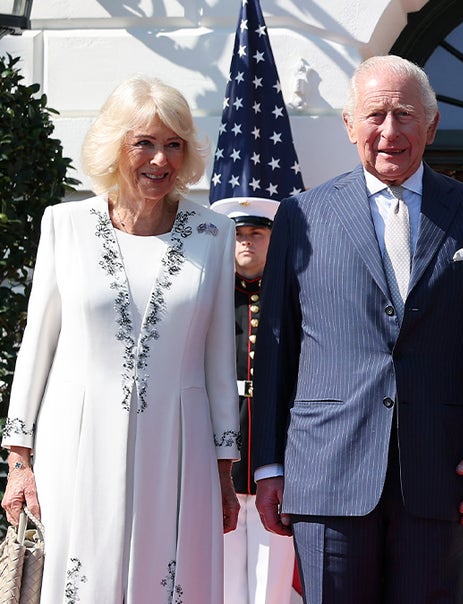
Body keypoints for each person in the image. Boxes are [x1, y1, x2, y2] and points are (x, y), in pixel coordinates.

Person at [251, 55, 463, 603]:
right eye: (375, 115)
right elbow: (278, 349)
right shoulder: (301, 216)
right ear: (350, 125)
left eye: (405, 115)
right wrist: (269, 464)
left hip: (441, 471)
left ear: (432, 125)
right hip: (327, 472)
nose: (390, 132)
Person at [0, 76, 240, 603]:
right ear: (115, 146)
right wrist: (19, 462)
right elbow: (37, 346)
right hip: (75, 443)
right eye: (144, 143)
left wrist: (224, 470)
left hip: (180, 448)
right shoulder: (65, 225)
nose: (160, 159)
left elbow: (219, 359)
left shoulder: (215, 233)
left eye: (173, 144)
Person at [210, 196, 297, 604]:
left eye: (257, 233)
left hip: (275, 455)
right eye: (238, 234)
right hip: (219, 457)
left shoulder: (292, 298)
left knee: (272, 581)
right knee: (221, 577)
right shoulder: (209, 298)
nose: (246, 242)